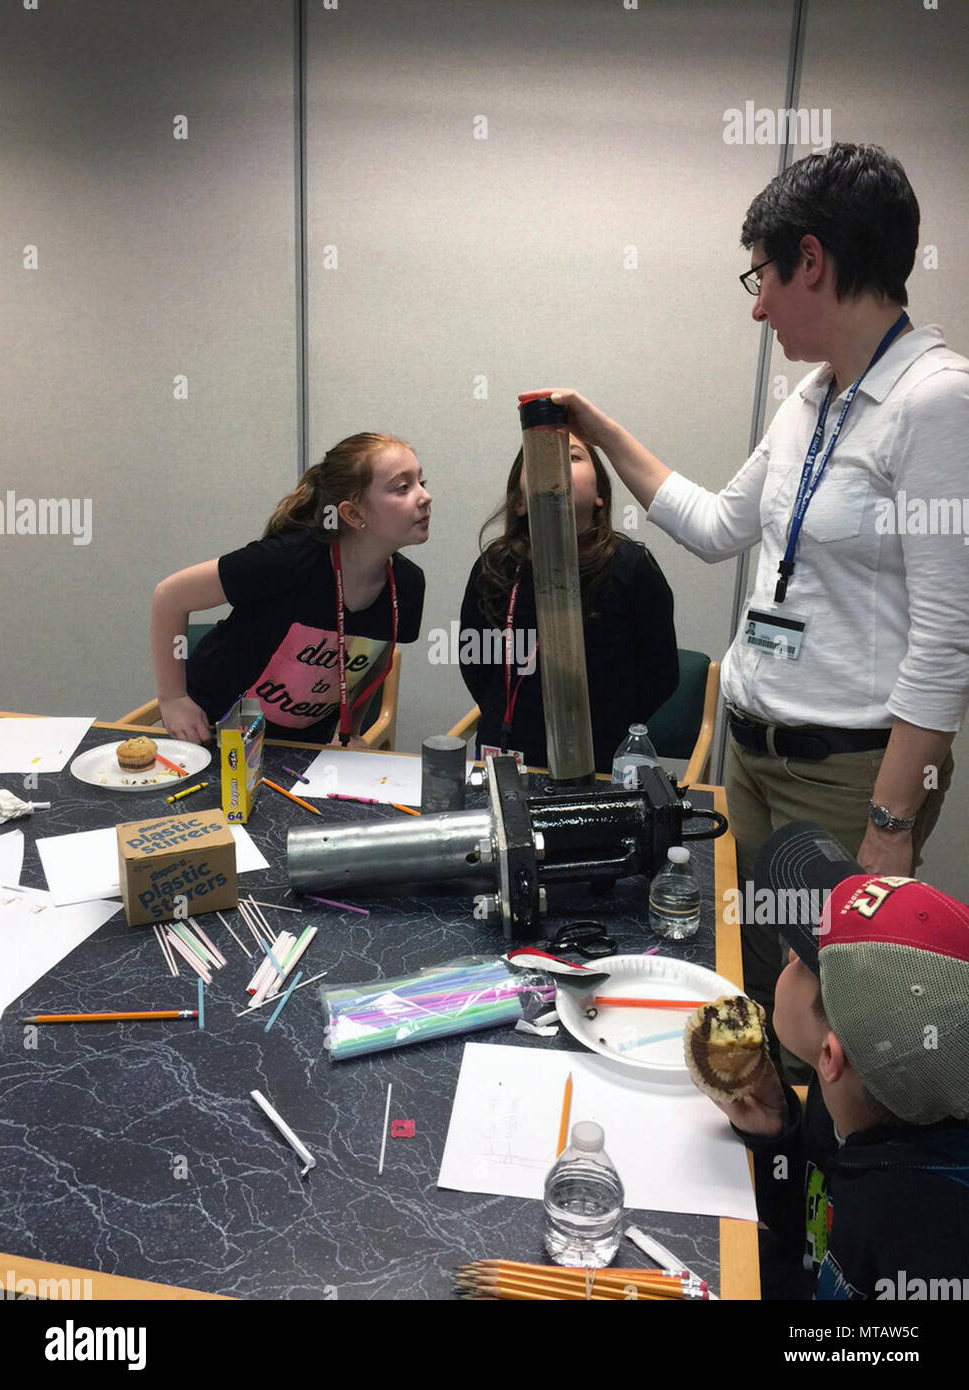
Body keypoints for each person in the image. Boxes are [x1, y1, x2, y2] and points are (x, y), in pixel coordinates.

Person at [533, 143, 969, 1033]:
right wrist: (600, 430)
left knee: (833, 1019)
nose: (759, 305)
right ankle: (764, 1154)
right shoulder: (812, 397)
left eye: (761, 277)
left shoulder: (936, 401)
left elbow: (947, 639)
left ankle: (813, 1170)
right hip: (754, 759)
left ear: (813, 259)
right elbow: (717, 525)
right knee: (761, 984)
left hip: (851, 775)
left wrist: (889, 826)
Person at [709, 821, 969, 1301]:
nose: (788, 952)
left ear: (830, 1054)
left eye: (805, 961)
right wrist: (778, 1136)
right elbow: (811, 1238)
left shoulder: (906, 1237)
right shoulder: (857, 1094)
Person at [150, 432, 430, 745]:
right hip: (214, 728)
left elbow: (375, 656)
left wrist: (348, 729)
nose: (424, 496)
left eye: (422, 482)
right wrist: (173, 699)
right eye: (403, 487)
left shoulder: (405, 585)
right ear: (353, 513)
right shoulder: (289, 560)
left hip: (299, 744)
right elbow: (169, 597)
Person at [458, 433, 678, 773]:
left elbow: (660, 674)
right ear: (520, 502)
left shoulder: (632, 567)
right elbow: (475, 661)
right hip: (507, 749)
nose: (555, 465)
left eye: (573, 457)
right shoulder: (496, 567)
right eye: (540, 459)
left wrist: (611, 722)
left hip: (600, 757)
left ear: (600, 495)